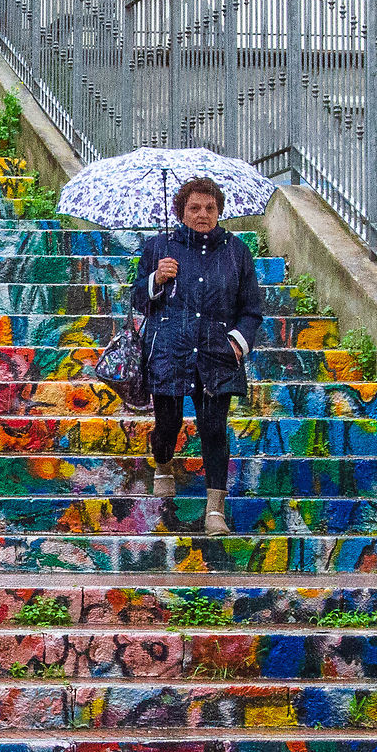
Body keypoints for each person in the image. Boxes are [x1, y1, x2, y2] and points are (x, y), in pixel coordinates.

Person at [128, 177, 263, 537]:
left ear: (219, 211)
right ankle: (163, 463)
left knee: (213, 428)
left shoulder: (237, 252)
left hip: (218, 354)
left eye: (210, 208)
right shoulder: (159, 247)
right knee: (168, 424)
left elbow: (251, 310)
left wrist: (237, 343)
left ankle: (214, 510)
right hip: (170, 350)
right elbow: (137, 299)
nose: (203, 214)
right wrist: (157, 277)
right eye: (194, 208)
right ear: (181, 211)